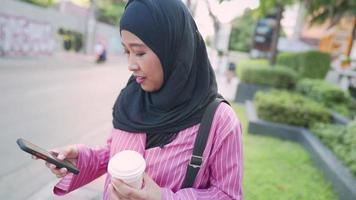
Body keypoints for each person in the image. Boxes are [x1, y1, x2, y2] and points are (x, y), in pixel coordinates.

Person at [40, 0, 243, 199]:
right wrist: (81, 159)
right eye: (126, 51)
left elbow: (228, 194)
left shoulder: (220, 121)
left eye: (139, 52)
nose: (131, 64)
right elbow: (114, 153)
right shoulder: (132, 97)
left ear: (172, 48)